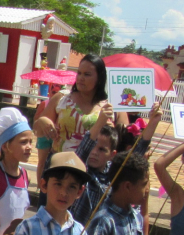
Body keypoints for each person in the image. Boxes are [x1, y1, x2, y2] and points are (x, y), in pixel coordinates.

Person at [33, 54, 127, 191]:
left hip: (93, 174)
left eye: (87, 74)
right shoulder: (62, 98)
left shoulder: (111, 105)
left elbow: (124, 136)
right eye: (79, 73)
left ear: (99, 78)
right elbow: (36, 129)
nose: (81, 78)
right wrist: (42, 121)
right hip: (60, 168)